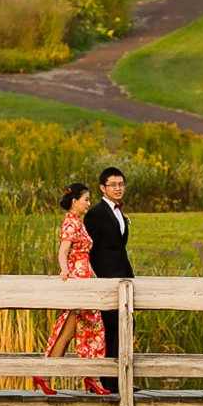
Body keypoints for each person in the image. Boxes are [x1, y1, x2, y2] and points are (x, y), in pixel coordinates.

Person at [33, 182, 110, 398]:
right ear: (75, 201)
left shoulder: (78, 223)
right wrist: (65, 272)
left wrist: (94, 278)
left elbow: (83, 256)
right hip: (77, 281)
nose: (88, 203)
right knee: (86, 328)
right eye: (85, 199)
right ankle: (91, 377)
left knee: (77, 330)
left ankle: (50, 375)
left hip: (85, 279)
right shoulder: (70, 224)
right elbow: (62, 252)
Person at [82, 167, 134, 393]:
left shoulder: (119, 212)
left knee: (125, 327)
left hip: (123, 276)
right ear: (102, 188)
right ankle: (107, 381)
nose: (118, 188)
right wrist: (94, 277)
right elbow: (87, 247)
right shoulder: (95, 213)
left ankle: (120, 380)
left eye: (121, 184)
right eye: (113, 184)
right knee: (110, 328)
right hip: (105, 279)